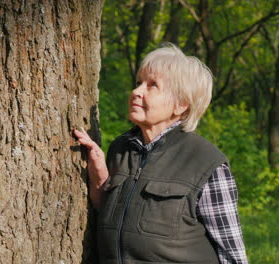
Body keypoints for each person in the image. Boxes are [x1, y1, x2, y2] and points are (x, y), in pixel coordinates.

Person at [74, 44, 248, 264]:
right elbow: (110, 218)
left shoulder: (206, 162)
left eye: (152, 85)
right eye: (138, 83)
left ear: (181, 105)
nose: (136, 92)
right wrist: (100, 179)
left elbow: (232, 254)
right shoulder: (120, 148)